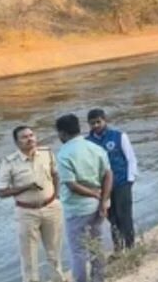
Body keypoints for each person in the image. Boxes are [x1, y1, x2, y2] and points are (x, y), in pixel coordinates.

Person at [0, 126, 65, 282]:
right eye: (24, 137)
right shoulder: (9, 162)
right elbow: (1, 192)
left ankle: (59, 279)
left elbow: (55, 175)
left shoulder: (47, 153)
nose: (30, 139)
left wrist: (56, 196)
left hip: (51, 207)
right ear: (16, 142)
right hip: (26, 212)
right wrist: (26, 187)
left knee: (54, 252)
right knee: (29, 256)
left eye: (31, 135)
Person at [55, 114, 113, 282]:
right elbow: (109, 175)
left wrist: (93, 194)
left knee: (78, 251)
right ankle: (98, 278)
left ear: (62, 133)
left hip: (76, 209)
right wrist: (103, 200)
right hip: (97, 206)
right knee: (97, 244)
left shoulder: (64, 154)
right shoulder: (95, 148)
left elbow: (71, 185)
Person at [86, 109, 138, 251]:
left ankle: (130, 246)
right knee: (111, 217)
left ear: (105, 120)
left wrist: (130, 179)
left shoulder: (119, 136)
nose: (96, 125)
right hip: (101, 187)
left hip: (121, 182)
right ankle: (118, 247)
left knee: (125, 215)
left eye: (98, 122)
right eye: (92, 123)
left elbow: (130, 158)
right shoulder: (87, 143)